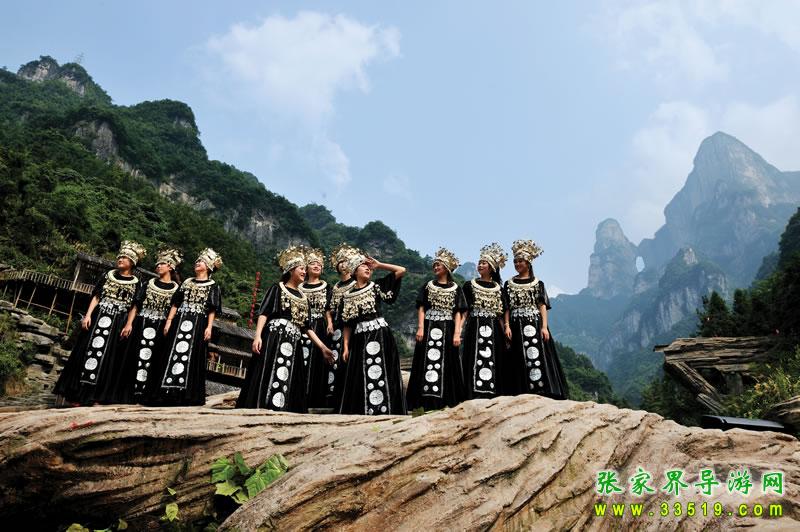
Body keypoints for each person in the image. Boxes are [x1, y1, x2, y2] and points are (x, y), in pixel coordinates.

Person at [236, 245, 334, 412]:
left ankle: (282, 408)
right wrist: (257, 336)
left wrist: (322, 347)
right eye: (301, 268)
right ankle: (261, 405)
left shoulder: (303, 298)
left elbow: (306, 327)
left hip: (294, 341)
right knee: (268, 369)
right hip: (274, 337)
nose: (304, 272)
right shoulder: (277, 288)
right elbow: (264, 313)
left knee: (289, 373)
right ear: (291, 270)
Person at [54, 241, 146, 405]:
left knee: (110, 357)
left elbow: (135, 306)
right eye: (120, 256)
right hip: (98, 317)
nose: (120, 259)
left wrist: (129, 324)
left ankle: (97, 396)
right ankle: (76, 395)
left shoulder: (137, 282)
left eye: (124, 257)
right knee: (85, 351)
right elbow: (96, 296)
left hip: (118, 322)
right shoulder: (107, 275)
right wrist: (88, 315)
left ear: (132, 262)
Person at [150, 248, 222, 406]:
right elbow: (176, 303)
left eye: (201, 261)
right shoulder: (187, 282)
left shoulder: (213, 286)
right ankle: (164, 393)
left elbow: (212, 309)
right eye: (197, 261)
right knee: (171, 353)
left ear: (209, 266)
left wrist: (209, 327)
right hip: (179, 321)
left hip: (198, 324)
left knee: (191, 356)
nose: (197, 263)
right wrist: (169, 321)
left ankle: (185, 395)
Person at [339, 251, 407, 415]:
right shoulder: (347, 296)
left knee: (383, 371)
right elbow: (347, 324)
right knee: (361, 373)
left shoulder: (376, 286)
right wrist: (346, 347)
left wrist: (379, 265)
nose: (368, 268)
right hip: (359, 338)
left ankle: (387, 410)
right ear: (354, 271)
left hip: (380, 335)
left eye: (368, 267)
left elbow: (401, 270)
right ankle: (364, 411)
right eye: (363, 266)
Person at [503, 240, 568, 399]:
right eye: (515, 261)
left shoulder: (538, 283)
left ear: (528, 263)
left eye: (520, 261)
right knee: (518, 356)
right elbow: (506, 307)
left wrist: (544, 327)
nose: (517, 264)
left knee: (538, 355)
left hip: (535, 322)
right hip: (515, 324)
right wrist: (507, 325)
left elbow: (542, 305)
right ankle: (521, 390)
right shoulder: (508, 284)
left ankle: (543, 390)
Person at [406, 247, 468, 411]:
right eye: (434, 265)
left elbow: (458, 313)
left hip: (448, 328)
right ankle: (423, 402)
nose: (435, 267)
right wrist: (420, 327)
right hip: (429, 326)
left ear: (446, 268)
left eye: (438, 265)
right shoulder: (428, 286)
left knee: (448, 362)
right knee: (424, 361)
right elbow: (421, 308)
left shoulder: (456, 288)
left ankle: (446, 401)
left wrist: (457, 333)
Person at [118, 248, 183, 403]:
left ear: (170, 267)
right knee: (133, 357)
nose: (158, 266)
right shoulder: (148, 283)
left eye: (162, 264)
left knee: (154, 360)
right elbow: (136, 305)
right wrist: (129, 324)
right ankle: (126, 394)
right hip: (141, 323)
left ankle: (146, 396)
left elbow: (175, 308)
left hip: (161, 328)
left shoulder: (177, 289)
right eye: (157, 264)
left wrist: (169, 323)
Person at [462, 243, 508, 399]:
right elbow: (465, 310)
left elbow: (502, 312)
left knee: (495, 357)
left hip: (494, 327)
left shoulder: (499, 289)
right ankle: (472, 393)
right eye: (479, 262)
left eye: (484, 263)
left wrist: (506, 328)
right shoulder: (469, 285)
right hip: (474, 325)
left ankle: (494, 394)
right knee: (473, 357)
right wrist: (459, 329)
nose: (480, 265)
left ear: (492, 267)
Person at [299, 246, 334, 408]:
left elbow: (328, 309)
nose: (316, 266)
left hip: (319, 326)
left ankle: (315, 398)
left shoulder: (327, 287)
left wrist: (330, 323)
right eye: (313, 263)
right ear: (306, 268)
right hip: (301, 325)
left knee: (317, 360)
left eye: (319, 264)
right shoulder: (299, 287)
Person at [327, 243, 359, 407]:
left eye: (346, 261)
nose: (343, 264)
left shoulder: (356, 283)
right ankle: (334, 393)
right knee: (336, 357)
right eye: (340, 262)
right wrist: (330, 323)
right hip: (338, 326)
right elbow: (330, 309)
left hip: (354, 325)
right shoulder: (336, 286)